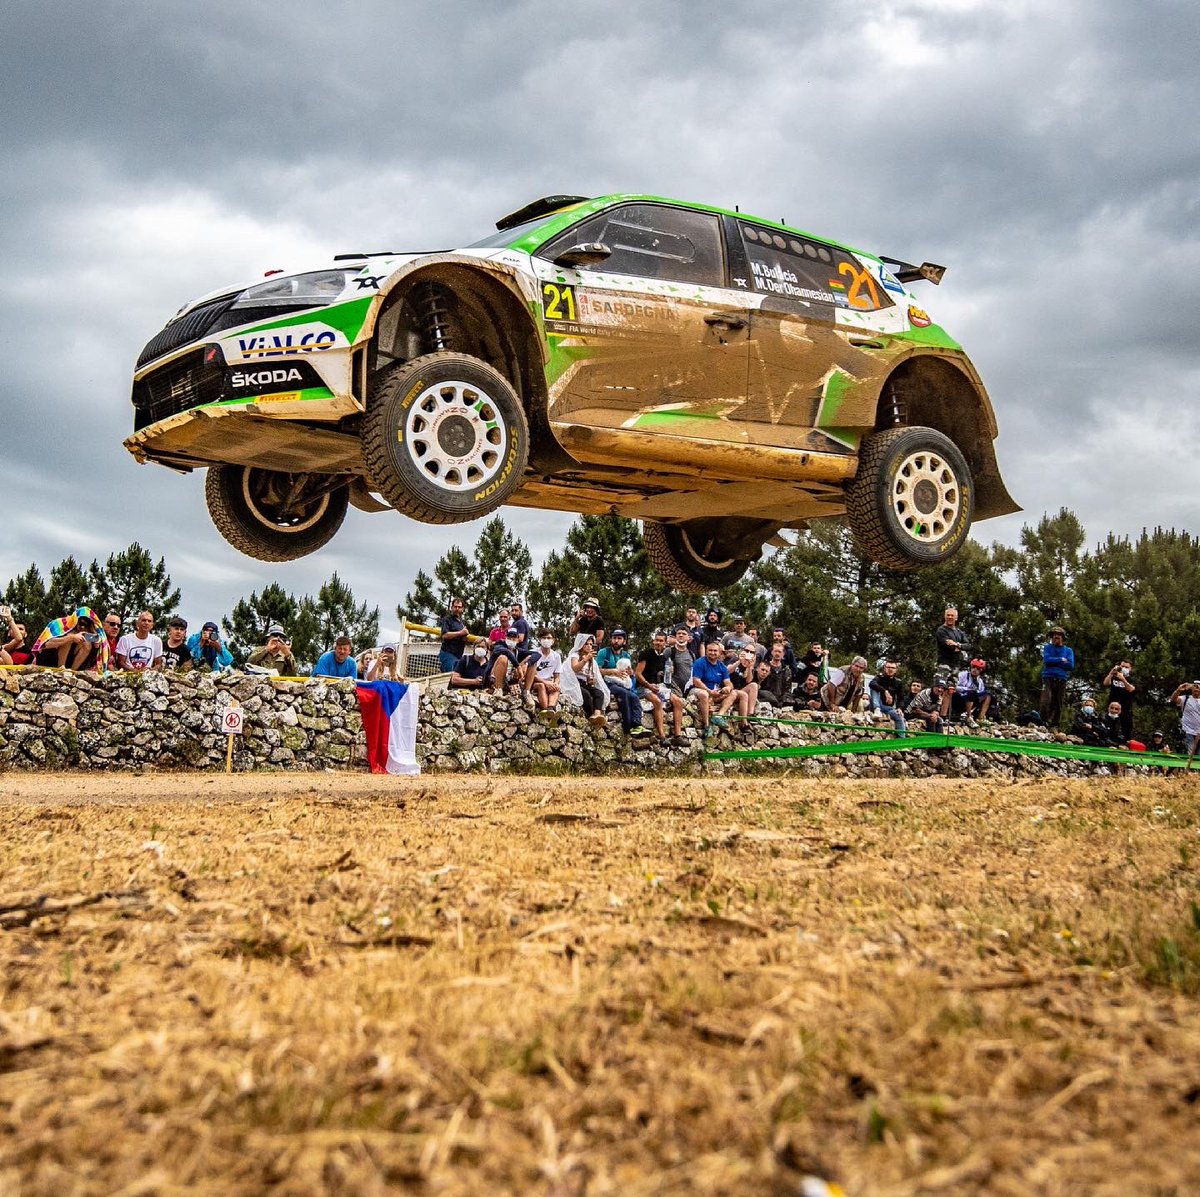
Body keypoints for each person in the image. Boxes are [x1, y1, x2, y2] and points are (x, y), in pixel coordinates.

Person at [636, 629, 687, 745]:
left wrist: (667, 673)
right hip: (643, 687)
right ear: (653, 641)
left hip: (659, 686)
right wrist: (649, 685)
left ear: (665, 643)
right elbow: (638, 674)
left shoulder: (664, 658)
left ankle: (678, 735)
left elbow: (662, 676)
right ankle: (662, 736)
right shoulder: (646, 654)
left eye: (661, 641)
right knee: (657, 701)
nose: (658, 643)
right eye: (656, 640)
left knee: (678, 701)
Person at [596, 628, 648, 737]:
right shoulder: (603, 653)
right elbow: (596, 670)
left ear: (624, 641)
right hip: (606, 682)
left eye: (619, 638)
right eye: (614, 638)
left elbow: (629, 673)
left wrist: (630, 673)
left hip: (622, 682)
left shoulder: (626, 655)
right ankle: (628, 727)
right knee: (623, 693)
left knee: (634, 697)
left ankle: (637, 725)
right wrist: (612, 671)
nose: (616, 641)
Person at [690, 638, 747, 735]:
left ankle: (719, 716)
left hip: (715, 692)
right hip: (698, 690)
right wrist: (709, 691)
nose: (712, 653)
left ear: (719, 653)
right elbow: (696, 681)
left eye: (715, 651)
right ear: (706, 651)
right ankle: (707, 726)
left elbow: (728, 682)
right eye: (710, 650)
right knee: (704, 694)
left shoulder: (722, 666)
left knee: (734, 693)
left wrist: (728, 688)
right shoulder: (700, 662)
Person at [32, 607, 108, 671]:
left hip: (70, 664)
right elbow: (45, 645)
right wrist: (71, 638)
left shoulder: (87, 632)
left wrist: (95, 641)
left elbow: (98, 651)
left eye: (86, 625)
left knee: (87, 643)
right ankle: (61, 668)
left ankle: (72, 671)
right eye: (81, 623)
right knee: (69, 637)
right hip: (47, 660)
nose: (83, 627)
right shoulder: (59, 624)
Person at [935, 608, 970, 716]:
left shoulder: (959, 632)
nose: (950, 617)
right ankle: (935, 713)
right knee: (940, 688)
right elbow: (949, 646)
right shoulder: (941, 630)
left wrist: (958, 645)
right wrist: (958, 646)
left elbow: (969, 645)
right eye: (948, 615)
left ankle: (943, 716)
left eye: (952, 615)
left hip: (956, 664)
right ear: (945, 616)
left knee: (950, 690)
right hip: (944, 663)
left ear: (956, 617)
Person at [568, 637, 609, 728]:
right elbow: (575, 668)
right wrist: (585, 659)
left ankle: (597, 715)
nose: (589, 646)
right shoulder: (575, 655)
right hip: (574, 682)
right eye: (586, 644)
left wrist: (591, 680)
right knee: (586, 694)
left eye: (591, 644)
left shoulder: (591, 659)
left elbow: (590, 674)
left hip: (584, 683)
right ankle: (591, 715)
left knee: (599, 693)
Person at [1039, 627, 1075, 728]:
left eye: (1058, 635)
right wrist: (1061, 659)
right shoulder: (1047, 647)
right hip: (1048, 677)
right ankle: (1043, 721)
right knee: (1046, 699)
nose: (1056, 637)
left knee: (1058, 702)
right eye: (1054, 635)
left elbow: (1070, 665)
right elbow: (1047, 660)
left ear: (1062, 637)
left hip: (1061, 678)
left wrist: (1054, 661)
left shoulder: (1068, 650)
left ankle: (1054, 725)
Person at [526, 630, 563, 715]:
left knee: (556, 688)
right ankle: (546, 710)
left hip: (549, 681)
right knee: (541, 686)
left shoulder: (556, 656)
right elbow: (532, 674)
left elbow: (557, 675)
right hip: (535, 682)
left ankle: (550, 708)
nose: (546, 640)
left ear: (553, 640)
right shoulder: (533, 653)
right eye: (544, 638)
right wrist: (545, 683)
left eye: (549, 638)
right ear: (539, 639)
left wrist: (555, 684)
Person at [868, 659, 907, 737]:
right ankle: (877, 709)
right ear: (884, 668)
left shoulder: (898, 682)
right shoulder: (879, 677)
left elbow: (901, 698)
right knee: (874, 688)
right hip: (876, 705)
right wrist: (885, 691)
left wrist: (899, 708)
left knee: (899, 717)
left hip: (888, 708)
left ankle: (902, 740)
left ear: (896, 670)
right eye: (888, 667)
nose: (890, 669)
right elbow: (871, 684)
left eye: (893, 668)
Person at [1102, 659, 1137, 744]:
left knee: (1126, 731)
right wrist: (1111, 673)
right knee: (1109, 728)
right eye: (1122, 666)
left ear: (1130, 668)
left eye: (1126, 667)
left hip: (1125, 709)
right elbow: (1106, 683)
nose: (1124, 668)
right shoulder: (1115, 676)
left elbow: (1131, 689)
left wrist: (1123, 679)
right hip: (1113, 708)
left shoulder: (1132, 679)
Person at [1170, 680, 1200, 771]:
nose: (1197, 688)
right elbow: (1173, 699)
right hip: (1188, 731)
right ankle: (1188, 772)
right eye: (1195, 686)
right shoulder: (1186, 698)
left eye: (1198, 687)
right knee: (1189, 754)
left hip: (1199, 732)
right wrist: (1179, 690)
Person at [952, 659, 991, 726]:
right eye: (973, 667)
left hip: (972, 700)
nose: (975, 670)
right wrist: (967, 689)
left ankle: (980, 719)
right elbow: (955, 686)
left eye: (978, 668)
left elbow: (980, 692)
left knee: (987, 695)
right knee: (971, 693)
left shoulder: (980, 681)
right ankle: (968, 717)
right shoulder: (963, 674)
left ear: (981, 670)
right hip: (959, 698)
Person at [756, 643, 793, 709]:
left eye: (779, 652)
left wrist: (782, 702)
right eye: (775, 651)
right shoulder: (764, 667)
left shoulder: (787, 671)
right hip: (765, 700)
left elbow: (787, 690)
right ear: (772, 652)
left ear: (783, 654)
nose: (777, 653)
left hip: (780, 703)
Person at [438, 598, 469, 674]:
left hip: (458, 655)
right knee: (450, 676)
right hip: (448, 653)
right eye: (455, 607)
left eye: (459, 607)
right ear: (452, 607)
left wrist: (465, 637)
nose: (457, 609)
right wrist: (460, 633)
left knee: (456, 676)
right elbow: (444, 635)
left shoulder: (462, 622)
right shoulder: (447, 619)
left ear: (463, 609)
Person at [728, 648, 760, 716]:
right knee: (743, 694)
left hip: (741, 690)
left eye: (751, 652)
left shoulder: (751, 665)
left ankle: (750, 713)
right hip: (730, 690)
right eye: (747, 651)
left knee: (754, 685)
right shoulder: (735, 659)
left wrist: (749, 667)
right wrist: (739, 661)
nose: (748, 653)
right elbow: (727, 671)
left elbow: (748, 680)